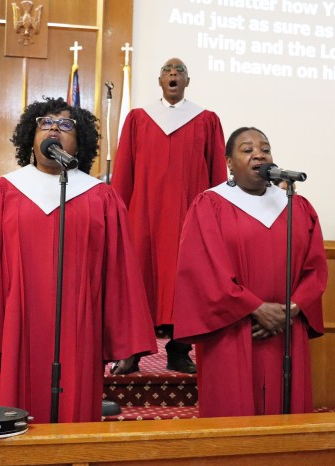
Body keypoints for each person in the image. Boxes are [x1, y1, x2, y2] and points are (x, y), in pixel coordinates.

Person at [0, 97, 157, 423]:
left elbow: (119, 273)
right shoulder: (3, 191)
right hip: (12, 332)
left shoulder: (100, 197)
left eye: (65, 125)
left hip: (80, 332)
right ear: (30, 137)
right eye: (45, 123)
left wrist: (125, 340)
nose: (53, 129)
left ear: (81, 141)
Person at [172, 127, 327, 417]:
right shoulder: (210, 205)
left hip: (286, 329)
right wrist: (255, 308)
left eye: (265, 149)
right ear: (229, 162)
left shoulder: (296, 206)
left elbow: (315, 267)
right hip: (232, 330)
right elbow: (204, 271)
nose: (259, 153)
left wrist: (291, 308)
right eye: (247, 149)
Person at [111, 57, 226, 374]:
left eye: (180, 72)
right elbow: (124, 172)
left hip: (190, 218)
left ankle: (179, 349)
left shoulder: (206, 120)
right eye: (167, 71)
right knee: (138, 281)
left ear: (188, 81)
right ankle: (132, 352)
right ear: (159, 81)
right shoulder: (139, 119)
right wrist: (119, 212)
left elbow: (217, 172)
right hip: (144, 218)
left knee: (186, 284)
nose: (173, 74)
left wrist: (219, 216)